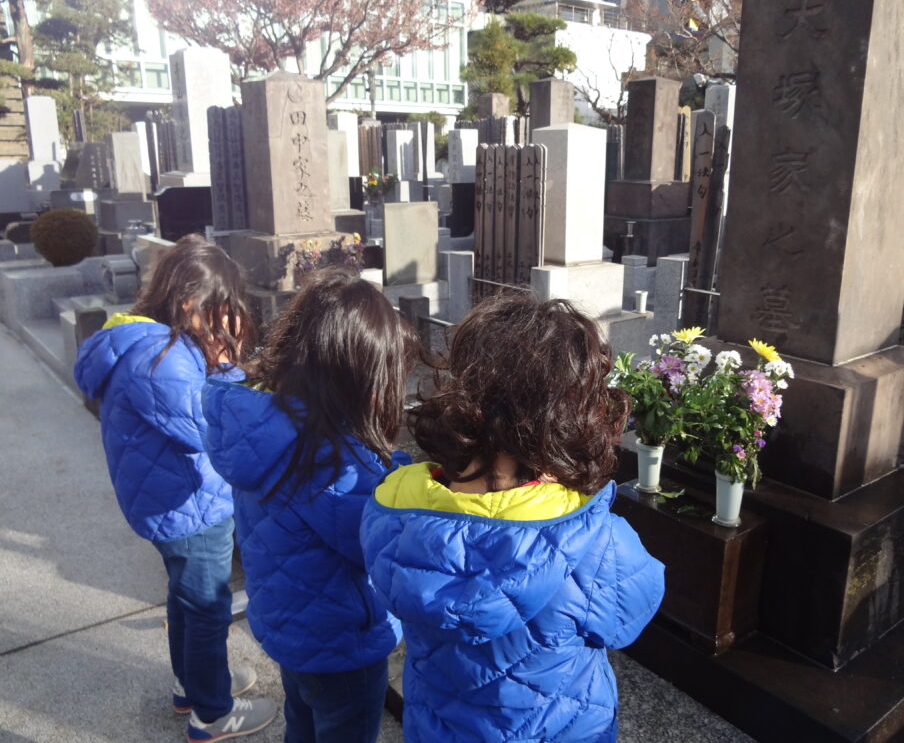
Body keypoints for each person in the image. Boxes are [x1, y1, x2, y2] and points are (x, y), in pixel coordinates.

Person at [360, 293, 666, 742]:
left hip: (440, 727)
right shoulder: (594, 541)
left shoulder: (395, 510)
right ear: (568, 416)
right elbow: (629, 615)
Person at [73, 234, 276, 742]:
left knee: (186, 597)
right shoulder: (160, 358)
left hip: (167, 501)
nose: (232, 319)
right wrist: (229, 364)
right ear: (190, 302)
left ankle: (193, 683)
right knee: (207, 607)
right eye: (224, 307)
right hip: (190, 508)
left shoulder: (147, 340)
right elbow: (213, 428)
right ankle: (212, 712)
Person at [202, 266, 417, 743]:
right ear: (353, 378)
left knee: (302, 718)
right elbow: (382, 541)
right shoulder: (333, 463)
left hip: (288, 625)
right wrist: (400, 472)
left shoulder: (262, 425)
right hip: (340, 645)